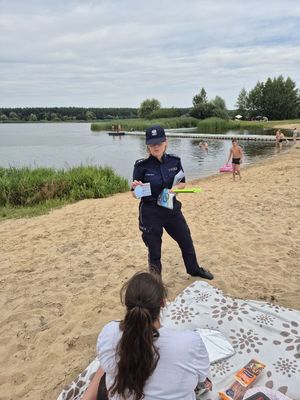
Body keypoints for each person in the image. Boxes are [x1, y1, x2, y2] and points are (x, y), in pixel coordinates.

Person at [82, 272, 212, 400]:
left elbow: (108, 367)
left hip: (118, 391)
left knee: (106, 364)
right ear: (163, 303)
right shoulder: (191, 343)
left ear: (127, 304)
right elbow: (202, 378)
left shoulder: (109, 333)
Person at [131, 125, 213, 280]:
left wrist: (175, 189)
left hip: (171, 208)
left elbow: (182, 182)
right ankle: (156, 283)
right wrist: (136, 189)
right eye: (152, 144)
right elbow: (135, 195)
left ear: (165, 142)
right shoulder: (141, 166)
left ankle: (194, 269)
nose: (156, 146)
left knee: (186, 241)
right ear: (147, 145)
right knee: (154, 251)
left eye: (159, 143)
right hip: (150, 212)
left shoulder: (175, 161)